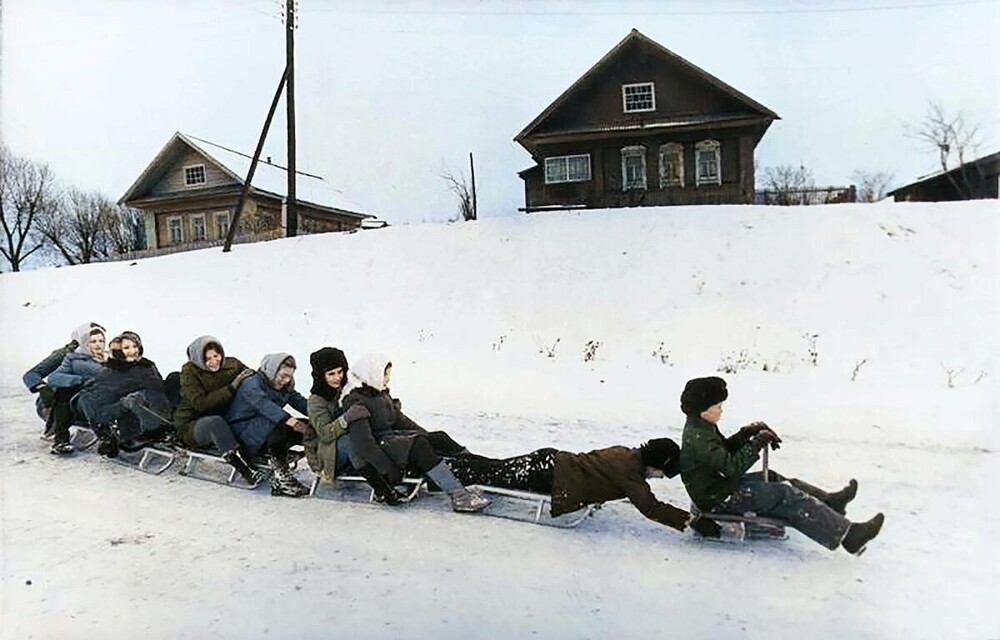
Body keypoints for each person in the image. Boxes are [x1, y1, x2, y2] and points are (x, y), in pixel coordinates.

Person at [677, 376, 884, 555]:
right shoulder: (699, 436)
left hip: (718, 488)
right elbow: (730, 466)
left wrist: (748, 433)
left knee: (775, 477)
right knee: (785, 495)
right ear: (703, 410)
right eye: (718, 407)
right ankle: (849, 536)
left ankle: (830, 503)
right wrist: (755, 445)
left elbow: (723, 451)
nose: (721, 411)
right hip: (718, 498)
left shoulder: (702, 428)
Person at [445, 439, 720, 534]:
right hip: (548, 475)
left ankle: (447, 459)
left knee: (493, 468)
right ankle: (439, 465)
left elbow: (595, 470)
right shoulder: (630, 472)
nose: (659, 477)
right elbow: (650, 507)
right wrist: (691, 521)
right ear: (656, 463)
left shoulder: (626, 454)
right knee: (489, 474)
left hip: (551, 462)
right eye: (661, 472)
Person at [338, 353, 490, 513]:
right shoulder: (354, 401)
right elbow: (364, 444)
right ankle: (460, 497)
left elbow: (401, 420)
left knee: (439, 438)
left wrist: (428, 436)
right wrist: (387, 469)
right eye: (385, 376)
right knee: (419, 445)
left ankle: (473, 473)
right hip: (379, 447)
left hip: (391, 440)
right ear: (372, 375)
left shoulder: (379, 394)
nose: (388, 380)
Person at [173, 335, 262, 486]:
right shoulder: (189, 373)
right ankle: (246, 469)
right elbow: (201, 404)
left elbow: (252, 378)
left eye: (216, 355)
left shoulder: (232, 364)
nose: (214, 361)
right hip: (194, 424)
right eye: (207, 359)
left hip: (225, 416)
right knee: (216, 422)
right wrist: (232, 386)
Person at [226, 353, 313, 497]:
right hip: (242, 431)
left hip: (265, 428)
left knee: (307, 426)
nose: (286, 380)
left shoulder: (284, 386)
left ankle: (329, 459)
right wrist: (294, 423)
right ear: (273, 371)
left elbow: (300, 402)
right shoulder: (252, 383)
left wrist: (322, 416)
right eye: (283, 376)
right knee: (281, 423)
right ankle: (282, 477)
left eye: (289, 376)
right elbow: (265, 406)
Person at [76, 331, 172, 458]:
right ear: (118, 351)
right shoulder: (110, 372)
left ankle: (161, 428)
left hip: (153, 410)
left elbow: (159, 391)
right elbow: (102, 405)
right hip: (126, 415)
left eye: (135, 346)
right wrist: (124, 404)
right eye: (126, 348)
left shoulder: (147, 366)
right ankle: (112, 438)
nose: (133, 351)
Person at [43, 322, 109, 455]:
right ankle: (61, 440)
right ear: (85, 343)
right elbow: (53, 378)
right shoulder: (73, 359)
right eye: (93, 341)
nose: (98, 344)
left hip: (107, 396)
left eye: (101, 341)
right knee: (63, 392)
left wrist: (108, 362)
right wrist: (77, 380)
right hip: (81, 400)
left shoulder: (111, 358)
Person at [22, 328, 89, 434]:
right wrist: (42, 388)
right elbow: (30, 375)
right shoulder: (64, 354)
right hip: (52, 402)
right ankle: (57, 431)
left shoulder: (97, 354)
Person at [304, 347, 353, 482]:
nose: (338, 377)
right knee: (355, 439)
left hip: (342, 443)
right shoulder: (316, 400)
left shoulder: (346, 389)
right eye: (331, 374)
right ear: (321, 376)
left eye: (340, 371)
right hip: (324, 453)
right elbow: (325, 434)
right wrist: (347, 418)